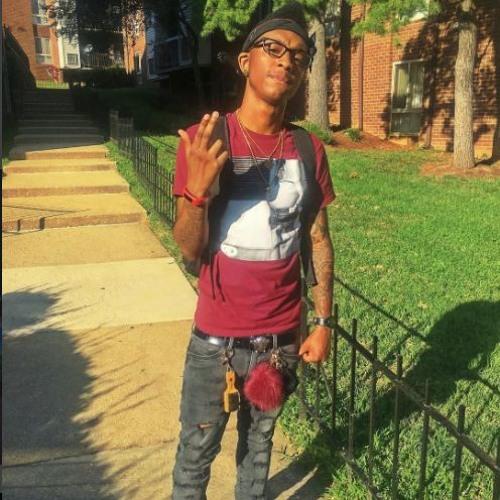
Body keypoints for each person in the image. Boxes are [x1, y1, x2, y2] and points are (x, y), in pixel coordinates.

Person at [171, 3, 335, 498]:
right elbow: (189, 248)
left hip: (280, 343)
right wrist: (198, 193)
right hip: (215, 343)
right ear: (245, 61)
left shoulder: (307, 149)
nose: (286, 60)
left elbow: (319, 238)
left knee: (259, 451)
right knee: (195, 457)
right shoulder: (206, 139)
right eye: (273, 48)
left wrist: (323, 322)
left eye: (299, 55)